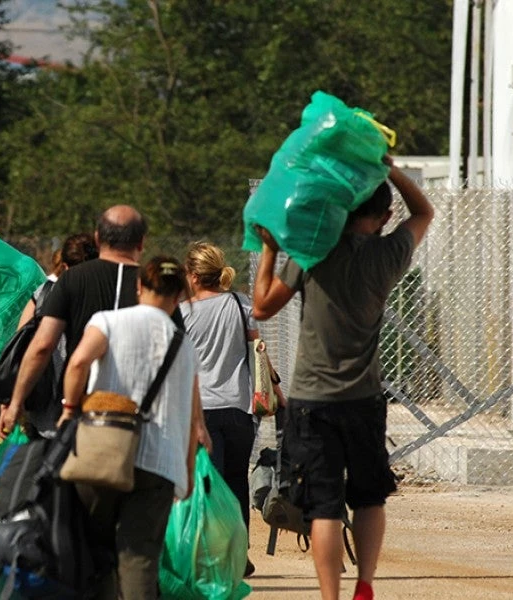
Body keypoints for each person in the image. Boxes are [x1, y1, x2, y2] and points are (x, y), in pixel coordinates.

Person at [251, 160, 434, 600]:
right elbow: (424, 212)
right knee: (370, 497)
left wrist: (272, 251)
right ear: (384, 218)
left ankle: (330, 595)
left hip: (313, 400)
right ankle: (365, 583)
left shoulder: (312, 255)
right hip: (365, 397)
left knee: (324, 505)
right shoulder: (388, 255)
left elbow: (261, 307)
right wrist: (389, 169)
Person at [58, 256, 201, 600]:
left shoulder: (108, 321)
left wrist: (69, 408)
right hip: (160, 464)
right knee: (139, 559)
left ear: (139, 286)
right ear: (179, 295)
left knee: (94, 550)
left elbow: (78, 362)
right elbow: (194, 418)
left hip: (102, 453)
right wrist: (188, 472)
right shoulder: (184, 346)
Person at [0, 205, 199, 440]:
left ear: (98, 238)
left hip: (81, 413)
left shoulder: (72, 279)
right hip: (138, 416)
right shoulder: (154, 285)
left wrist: (15, 403)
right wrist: (197, 423)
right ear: (141, 243)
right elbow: (181, 355)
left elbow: (42, 346)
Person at [180, 241, 270, 577]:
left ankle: (211, 554)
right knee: (236, 481)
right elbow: (258, 348)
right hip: (238, 406)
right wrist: (272, 389)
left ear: (192, 275)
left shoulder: (184, 311)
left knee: (207, 483)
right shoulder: (239, 303)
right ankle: (239, 553)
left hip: (200, 411)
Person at [13, 233, 98, 436]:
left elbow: (21, 342)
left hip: (45, 407)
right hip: (91, 408)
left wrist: (15, 399)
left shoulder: (43, 293)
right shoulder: (107, 294)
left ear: (65, 265)